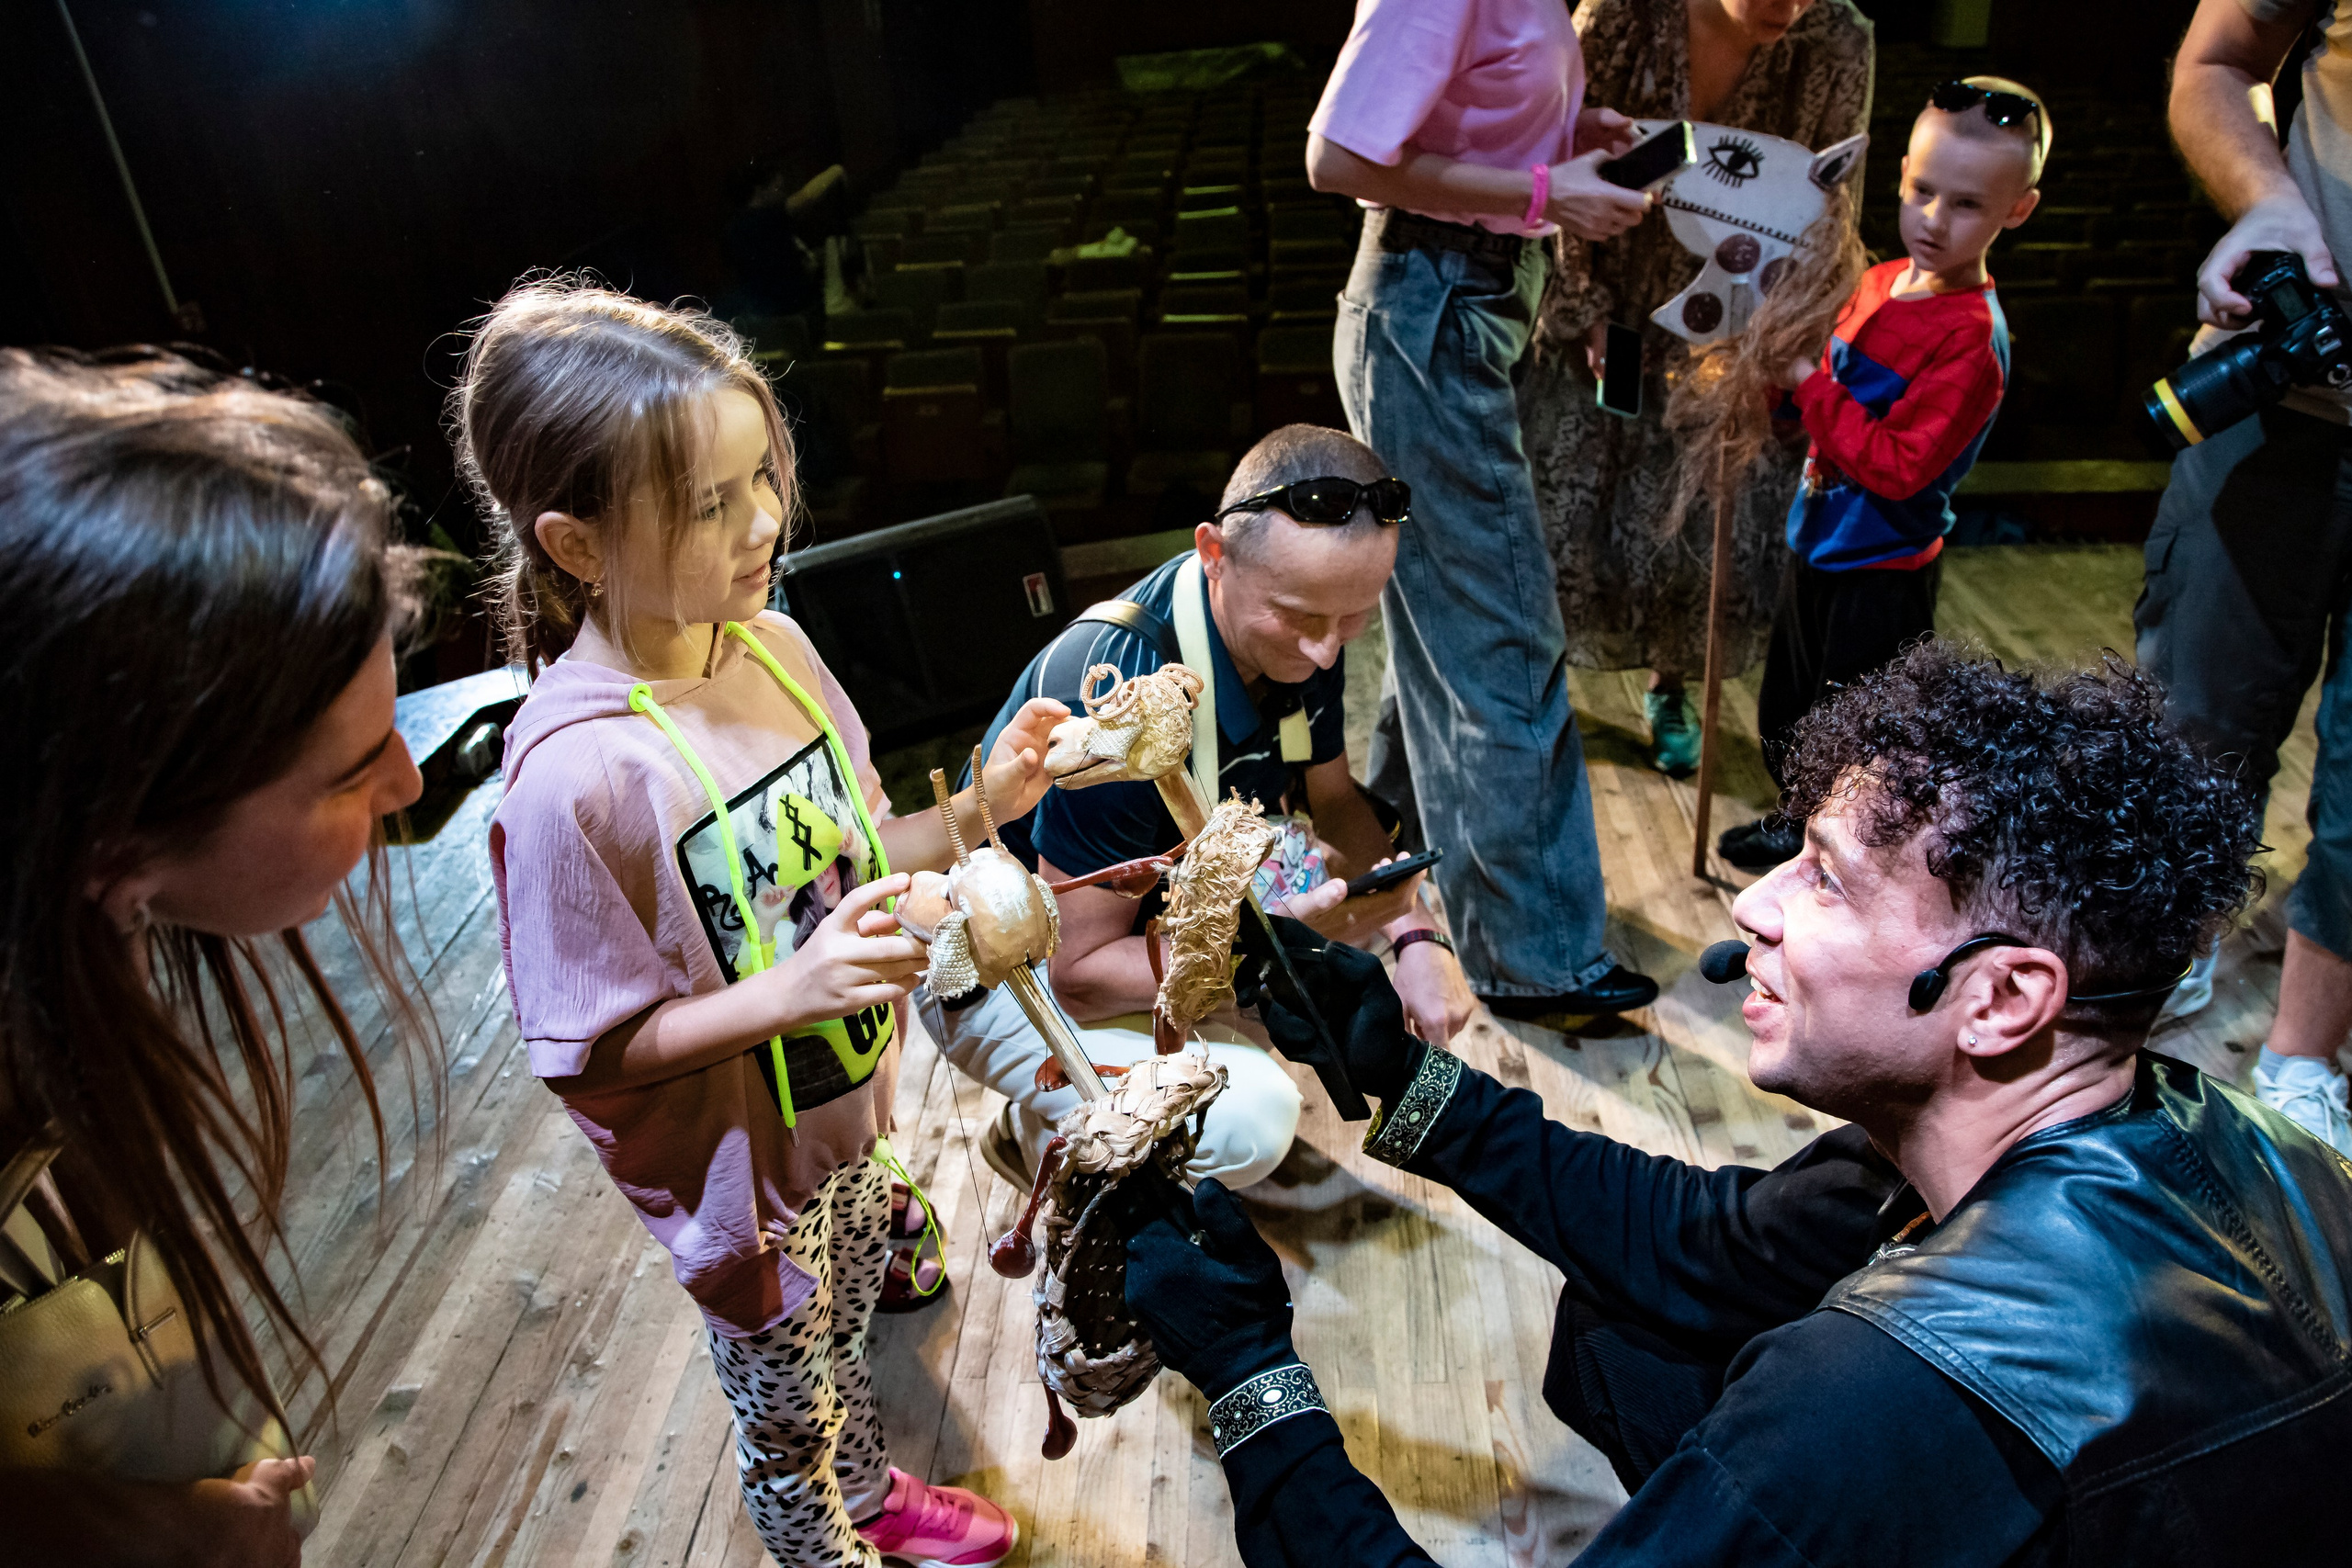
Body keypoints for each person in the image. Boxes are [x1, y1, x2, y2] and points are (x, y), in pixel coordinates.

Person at [1125, 642, 2352, 1564]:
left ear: (2001, 998)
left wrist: (1249, 1369)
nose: (1758, 904)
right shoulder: (2239, 1135)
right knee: (1628, 1324)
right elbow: (1705, 1240)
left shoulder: (1858, 1406)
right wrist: (1405, 1074)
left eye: (1825, 876)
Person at [462, 280, 1045, 1568]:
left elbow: (846, 864)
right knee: (791, 1391)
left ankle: (871, 1476)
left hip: (843, 1108)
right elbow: (589, 1051)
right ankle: (830, 1526)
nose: (765, 520)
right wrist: (798, 990)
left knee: (844, 1324)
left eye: (761, 480)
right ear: (574, 543)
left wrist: (983, 809)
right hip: (746, 1178)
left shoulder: (773, 644)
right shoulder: (574, 777)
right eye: (708, 503)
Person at [0, 347, 430, 1565]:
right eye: (353, 770)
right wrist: (115, 1532)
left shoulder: (86, 924)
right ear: (113, 842)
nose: (407, 780)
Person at [929, 425, 1478, 1191]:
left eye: (1356, 616)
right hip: (999, 959)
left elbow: (1332, 799)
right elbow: (1079, 968)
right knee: (1255, 1120)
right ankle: (1048, 1135)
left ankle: (1089, 1106)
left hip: (1121, 915)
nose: (1326, 651)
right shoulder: (1123, 691)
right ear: (1213, 553)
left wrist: (1413, 930)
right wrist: (1266, 951)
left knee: (1310, 980)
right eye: (1300, 616)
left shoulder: (1305, 615)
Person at [1308, 0, 1662, 1025]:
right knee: (1500, 633)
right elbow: (1337, 157)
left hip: (1467, 294)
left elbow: (1462, 116)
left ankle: (1378, 865)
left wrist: (1568, 138)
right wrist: (1548, 186)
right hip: (1435, 298)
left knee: (1446, 620)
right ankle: (1534, 956)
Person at [1523, 0, 1873, 777]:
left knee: (1692, 525)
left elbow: (1824, 201)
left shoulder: (1837, 38)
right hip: (1605, 304)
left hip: (1732, 324)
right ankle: (1537, 692)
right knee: (1567, 513)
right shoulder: (1622, 14)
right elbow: (1555, 156)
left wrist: (1769, 340)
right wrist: (1584, 313)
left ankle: (1672, 685)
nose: (1786, 7)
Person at [1720, 78, 2041, 870]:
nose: (1934, 219)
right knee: (1788, 706)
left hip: (1882, 565)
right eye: (1922, 191)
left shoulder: (1972, 341)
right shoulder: (1875, 282)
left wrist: (1809, 384)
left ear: (2017, 210)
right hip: (1819, 533)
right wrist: (1768, 389)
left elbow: (1898, 467)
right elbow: (1823, 396)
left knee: (1857, 730)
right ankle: (1795, 820)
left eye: (1965, 204)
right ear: (1900, 174)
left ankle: (1837, 858)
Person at [2141, 0, 2352, 1144]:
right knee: (2195, 721)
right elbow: (2217, 58)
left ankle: (2305, 1056)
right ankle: (2171, 947)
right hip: (2287, 401)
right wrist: (2269, 201)